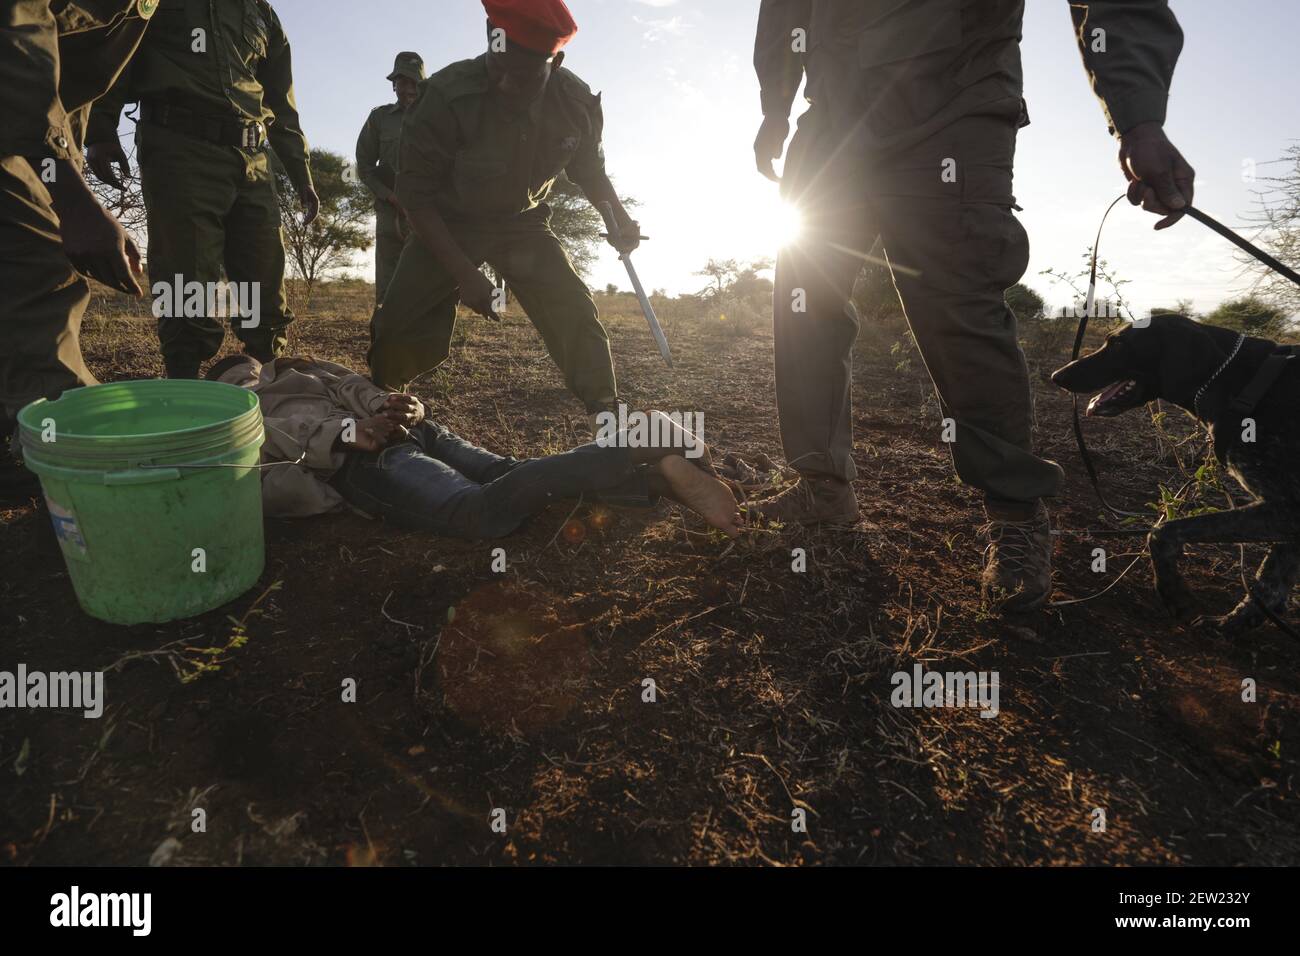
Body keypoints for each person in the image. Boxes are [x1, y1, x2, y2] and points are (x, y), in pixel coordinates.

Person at [750, 0, 1195, 611]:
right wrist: (777, 104)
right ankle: (821, 486)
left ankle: (1014, 512)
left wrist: (1139, 117)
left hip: (955, 104)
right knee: (804, 299)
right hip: (833, 118)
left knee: (956, 303)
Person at [367, 0, 639, 424]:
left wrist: (617, 220)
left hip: (523, 224)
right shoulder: (445, 94)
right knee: (397, 325)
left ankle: (609, 418)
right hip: (449, 221)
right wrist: (464, 275)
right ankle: (382, 406)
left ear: (556, 62)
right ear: (490, 41)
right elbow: (415, 196)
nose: (507, 84)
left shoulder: (574, 103)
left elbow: (590, 172)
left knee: (574, 310)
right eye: (499, 66)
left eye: (525, 74)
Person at [205, 354, 741, 539]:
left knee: (480, 513)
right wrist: (404, 409)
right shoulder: (312, 372)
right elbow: (365, 392)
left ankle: (635, 447)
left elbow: (262, 467)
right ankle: (653, 473)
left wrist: (347, 439)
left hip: (363, 461)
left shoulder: (237, 409)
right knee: (513, 474)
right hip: (405, 434)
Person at [85, 0, 319, 380]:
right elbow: (115, 53)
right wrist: (100, 129)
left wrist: (301, 173)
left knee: (265, 278)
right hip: (180, 146)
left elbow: (282, 103)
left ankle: (270, 382)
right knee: (185, 276)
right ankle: (184, 382)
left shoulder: (262, 14)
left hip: (253, 158)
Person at [0, 0, 155, 496]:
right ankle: (77, 461)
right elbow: (17, 34)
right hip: (12, 101)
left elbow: (72, 75)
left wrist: (72, 173)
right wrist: (72, 200)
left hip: (26, 122)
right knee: (40, 269)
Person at [356, 51, 424, 303]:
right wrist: (390, 196)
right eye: (402, 82)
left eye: (413, 83)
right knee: (388, 290)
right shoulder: (379, 118)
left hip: (429, 215)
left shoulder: (436, 118)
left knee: (424, 286)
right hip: (390, 215)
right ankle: (384, 340)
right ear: (394, 85)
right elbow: (364, 165)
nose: (407, 89)